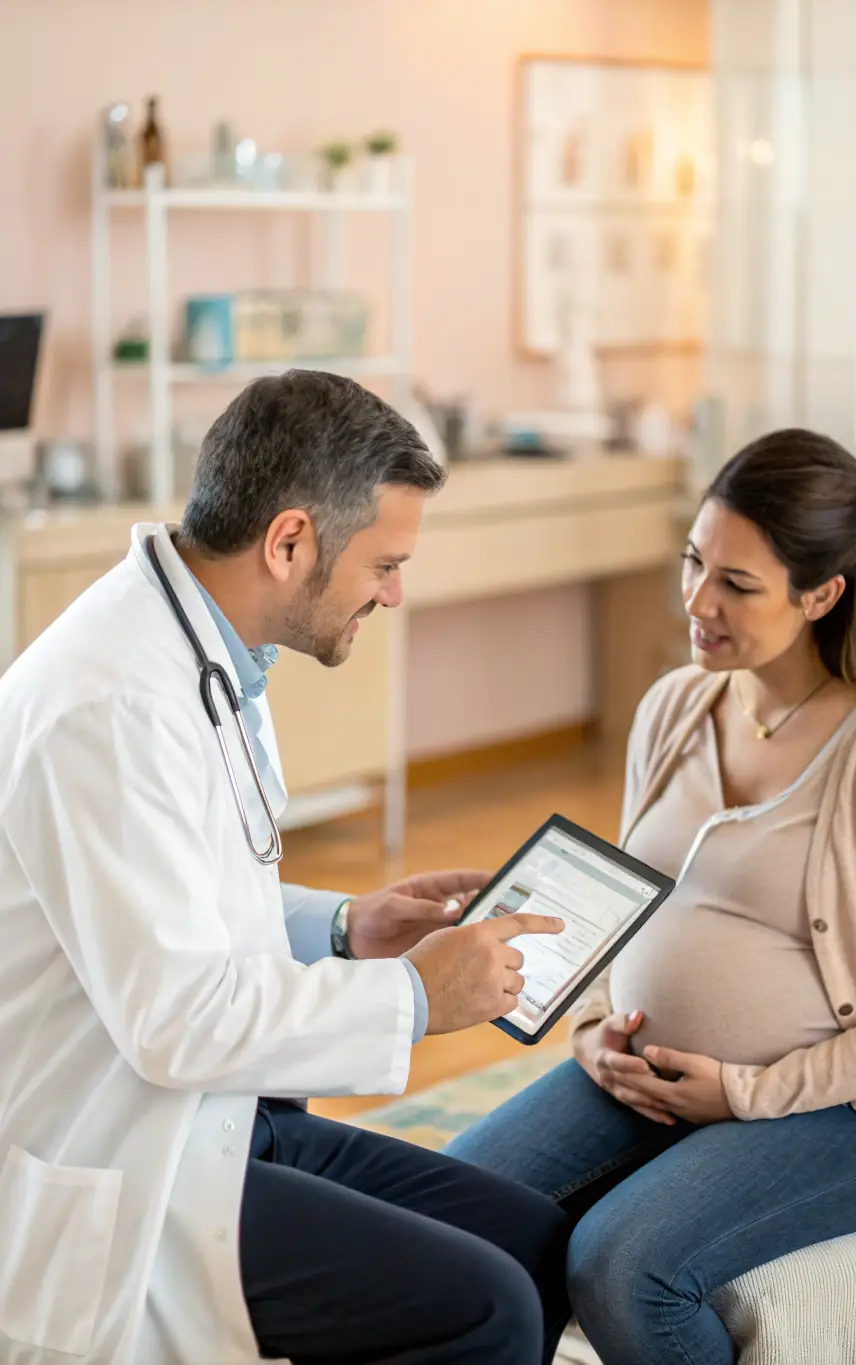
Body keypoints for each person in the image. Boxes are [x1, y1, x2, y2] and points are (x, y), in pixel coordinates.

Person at [0, 372, 571, 1365]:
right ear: (290, 542)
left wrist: (350, 928)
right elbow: (176, 1022)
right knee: (490, 1311)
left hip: (220, 1114)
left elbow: (196, 901)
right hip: (133, 1152)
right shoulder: (110, 707)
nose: (394, 593)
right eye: (385, 563)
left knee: (537, 1248)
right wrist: (411, 999)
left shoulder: (222, 651)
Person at [446, 428, 856, 1365]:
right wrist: (594, 1032)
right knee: (452, 1215)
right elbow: (616, 909)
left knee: (621, 1264)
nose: (699, 602)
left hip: (847, 1112)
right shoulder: (674, 708)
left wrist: (747, 1093)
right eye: (695, 562)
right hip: (651, 1079)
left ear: (822, 595)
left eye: (737, 585)